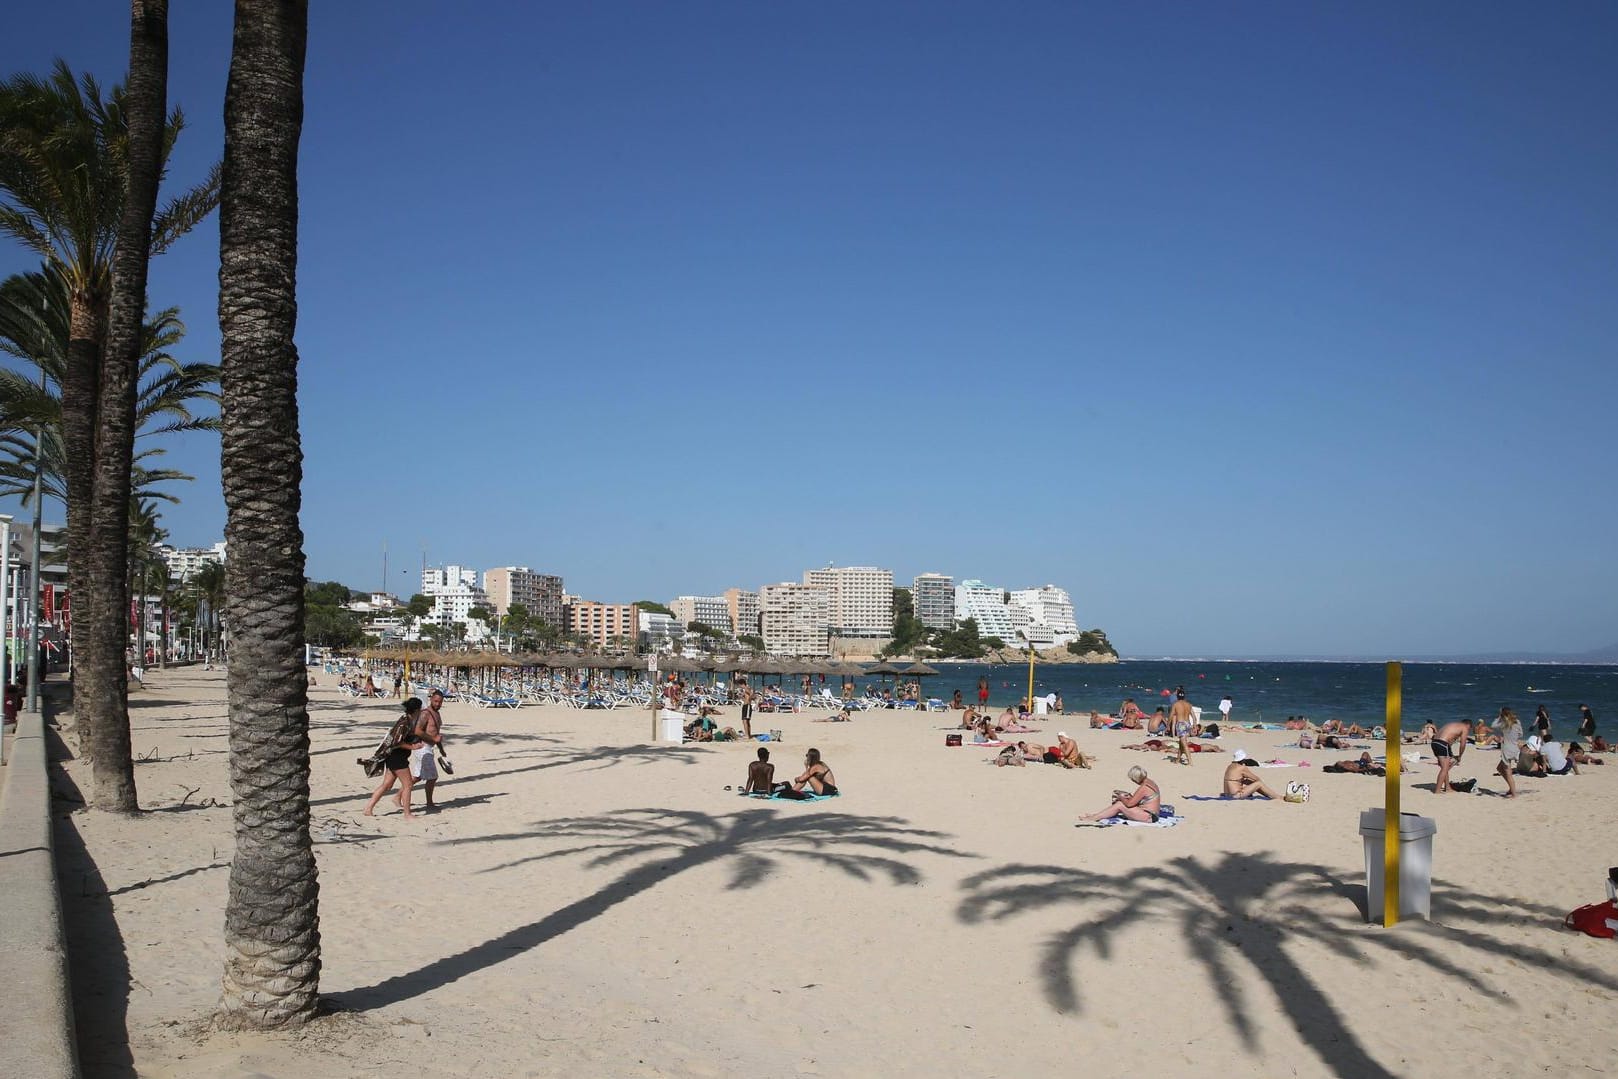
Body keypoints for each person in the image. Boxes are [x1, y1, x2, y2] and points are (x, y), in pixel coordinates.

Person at [364, 698, 426, 818]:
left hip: (393, 756)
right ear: (417, 710)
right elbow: (397, 742)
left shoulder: (406, 719)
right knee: (408, 785)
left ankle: (368, 808)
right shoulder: (405, 722)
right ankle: (407, 814)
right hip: (397, 757)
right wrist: (413, 747)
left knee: (386, 785)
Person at [1080, 765, 1162, 822]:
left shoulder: (1144, 788)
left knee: (1120, 804)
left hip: (1149, 816)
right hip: (1150, 814)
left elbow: (1129, 805)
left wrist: (1121, 798)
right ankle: (1096, 815)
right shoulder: (1150, 782)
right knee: (1123, 800)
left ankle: (1094, 817)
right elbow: (1139, 800)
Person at [1431, 720, 1470, 793]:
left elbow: (1448, 739)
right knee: (1445, 769)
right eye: (1469, 728)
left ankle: (1448, 788)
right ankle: (1437, 791)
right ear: (1468, 725)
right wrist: (1460, 756)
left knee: (1444, 766)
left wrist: (1450, 754)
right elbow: (1463, 744)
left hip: (1434, 742)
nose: (1468, 730)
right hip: (1442, 744)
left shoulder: (1452, 724)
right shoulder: (1464, 727)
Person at [1491, 707, 1521, 797]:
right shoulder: (1517, 722)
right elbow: (1521, 734)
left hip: (1507, 749)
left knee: (1508, 772)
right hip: (1515, 747)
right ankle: (1511, 789)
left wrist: (1499, 717)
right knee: (1499, 768)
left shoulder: (1503, 723)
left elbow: (1493, 725)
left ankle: (1514, 794)